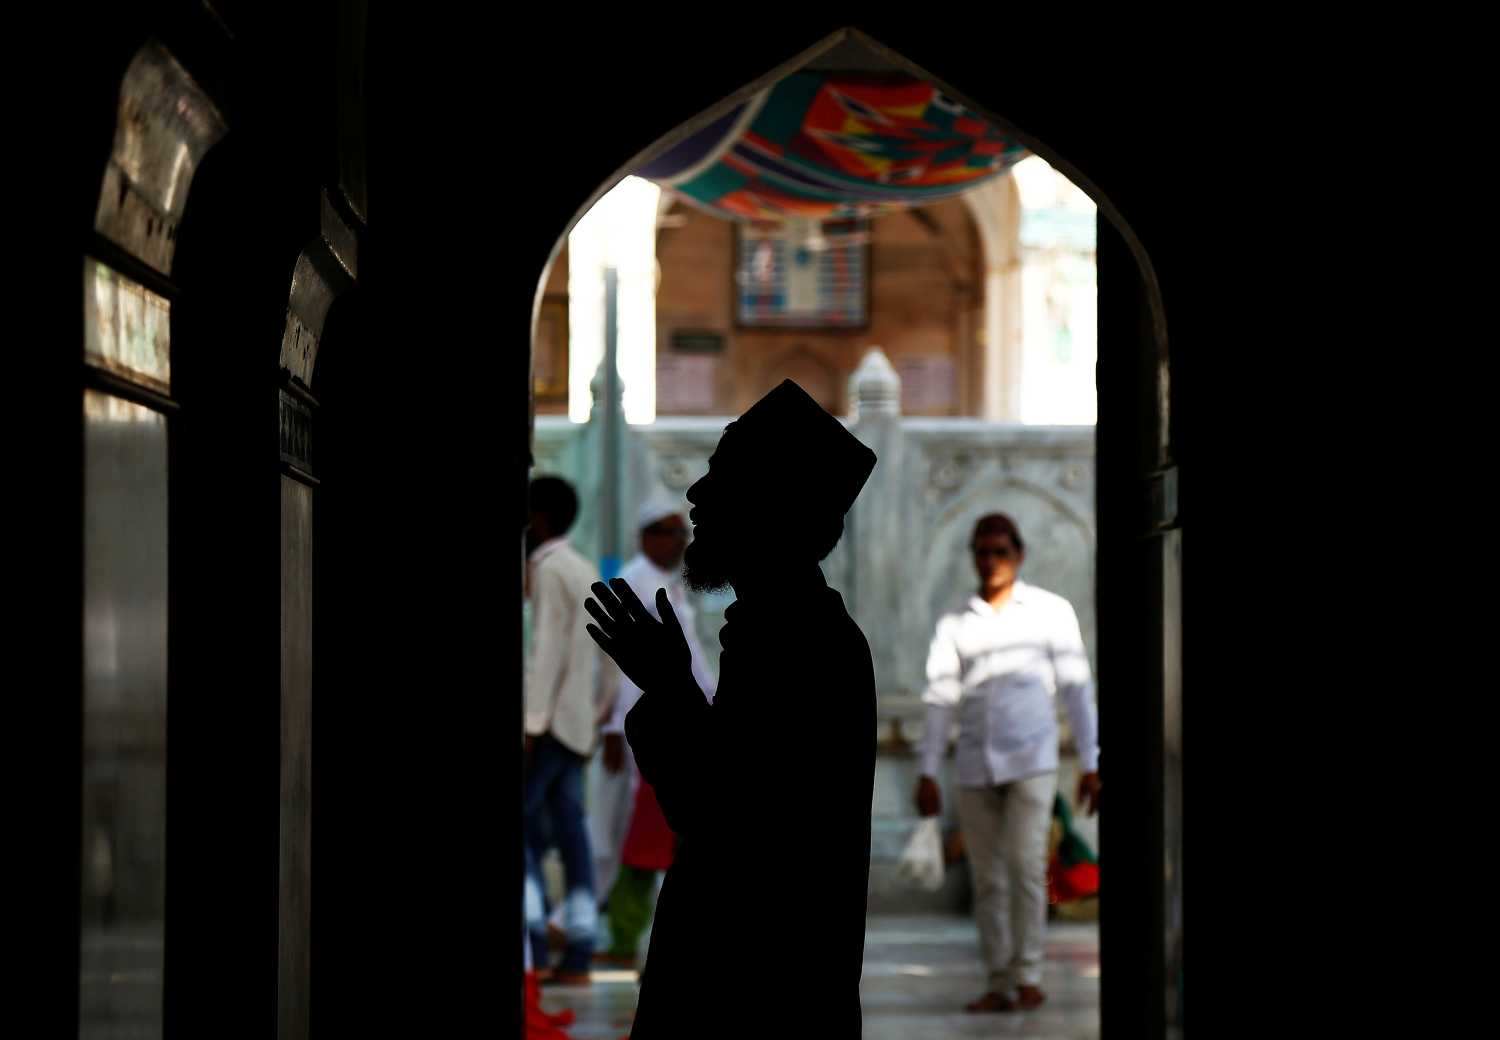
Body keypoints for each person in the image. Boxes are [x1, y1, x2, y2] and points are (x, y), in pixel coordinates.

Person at [583, 379, 878, 1037]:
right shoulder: (780, 630)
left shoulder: (801, 643)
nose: (696, 497)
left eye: (719, 478)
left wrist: (670, 689)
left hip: (759, 995)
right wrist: (671, 689)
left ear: (770, 507)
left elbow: (721, 811)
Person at [912, 512, 1101, 1013]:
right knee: (988, 878)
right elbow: (940, 698)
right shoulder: (955, 620)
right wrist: (927, 769)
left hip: (1031, 760)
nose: (990, 560)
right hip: (974, 765)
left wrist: (1091, 761)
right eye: (982, 551)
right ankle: (999, 980)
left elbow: (1078, 690)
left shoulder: (1050, 612)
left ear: (1019, 555)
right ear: (973, 556)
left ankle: (1030, 973)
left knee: (1025, 868)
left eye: (1000, 551)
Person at [593, 498, 717, 969]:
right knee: (640, 837)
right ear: (646, 536)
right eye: (668, 532)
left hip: (685, 722)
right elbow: (626, 667)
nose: (679, 542)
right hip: (653, 729)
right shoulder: (637, 581)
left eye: (681, 532)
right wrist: (612, 727)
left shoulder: (668, 583)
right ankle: (618, 934)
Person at [524, 475, 603, 985]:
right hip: (576, 726)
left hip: (547, 726)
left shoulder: (551, 571)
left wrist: (530, 724)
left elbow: (547, 653)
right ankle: (578, 947)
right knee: (572, 835)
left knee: (525, 835)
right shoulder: (583, 566)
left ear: (540, 518)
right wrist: (597, 716)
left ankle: (534, 938)